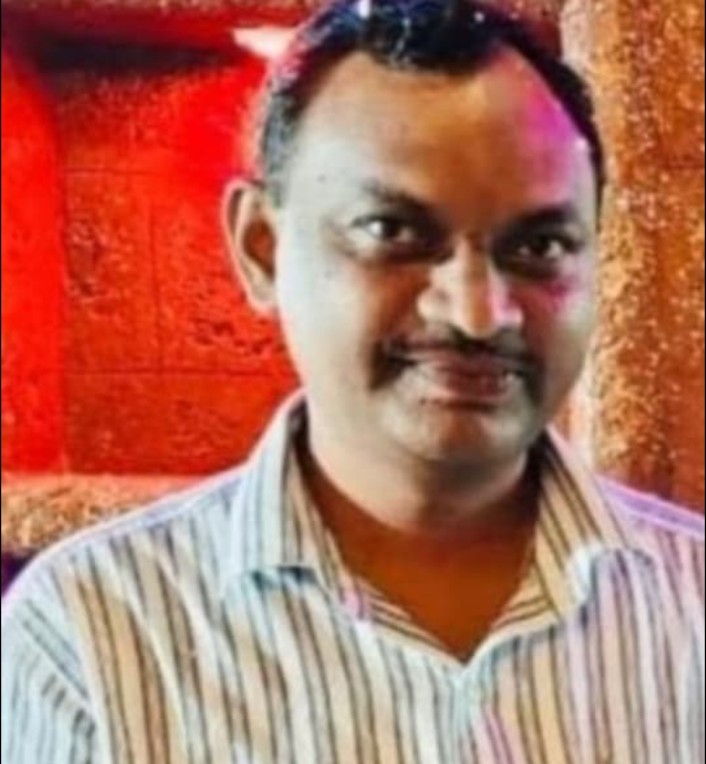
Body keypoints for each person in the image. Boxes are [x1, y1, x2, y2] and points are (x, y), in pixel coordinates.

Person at [2, 1, 704, 761]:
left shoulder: (691, 602)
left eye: (539, 246)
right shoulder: (90, 638)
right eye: (394, 233)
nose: (476, 312)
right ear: (261, 249)